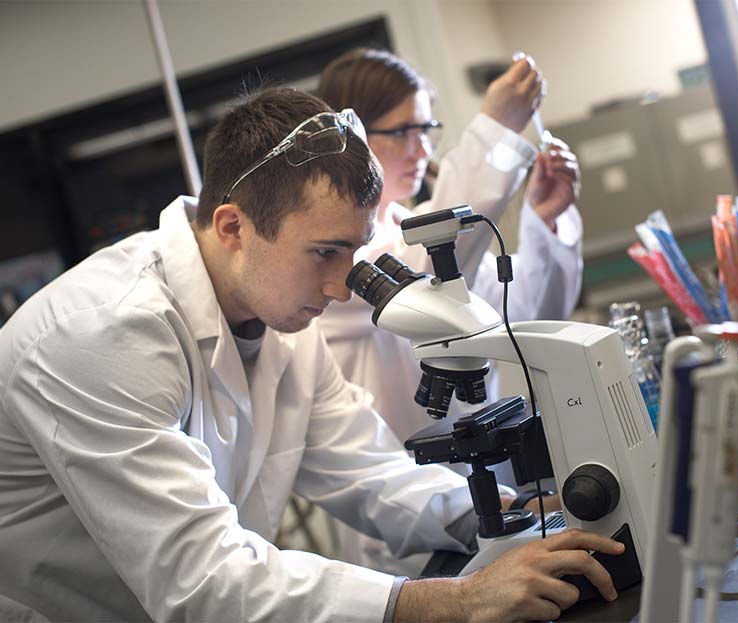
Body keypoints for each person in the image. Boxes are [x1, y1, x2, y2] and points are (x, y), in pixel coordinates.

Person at [0, 86, 622, 622]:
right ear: (233, 228)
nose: (341, 284)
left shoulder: (278, 315)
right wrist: (457, 602)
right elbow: (202, 580)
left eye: (353, 252)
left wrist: (512, 510)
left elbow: (368, 471)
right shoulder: (104, 335)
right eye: (324, 252)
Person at [317, 48, 582, 574]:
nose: (421, 148)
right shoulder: (339, 252)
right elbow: (414, 275)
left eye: (427, 128)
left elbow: (518, 318)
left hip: (497, 496)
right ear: (350, 140)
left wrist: (543, 221)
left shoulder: (416, 228)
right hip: (407, 540)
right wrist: (495, 131)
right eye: (402, 131)